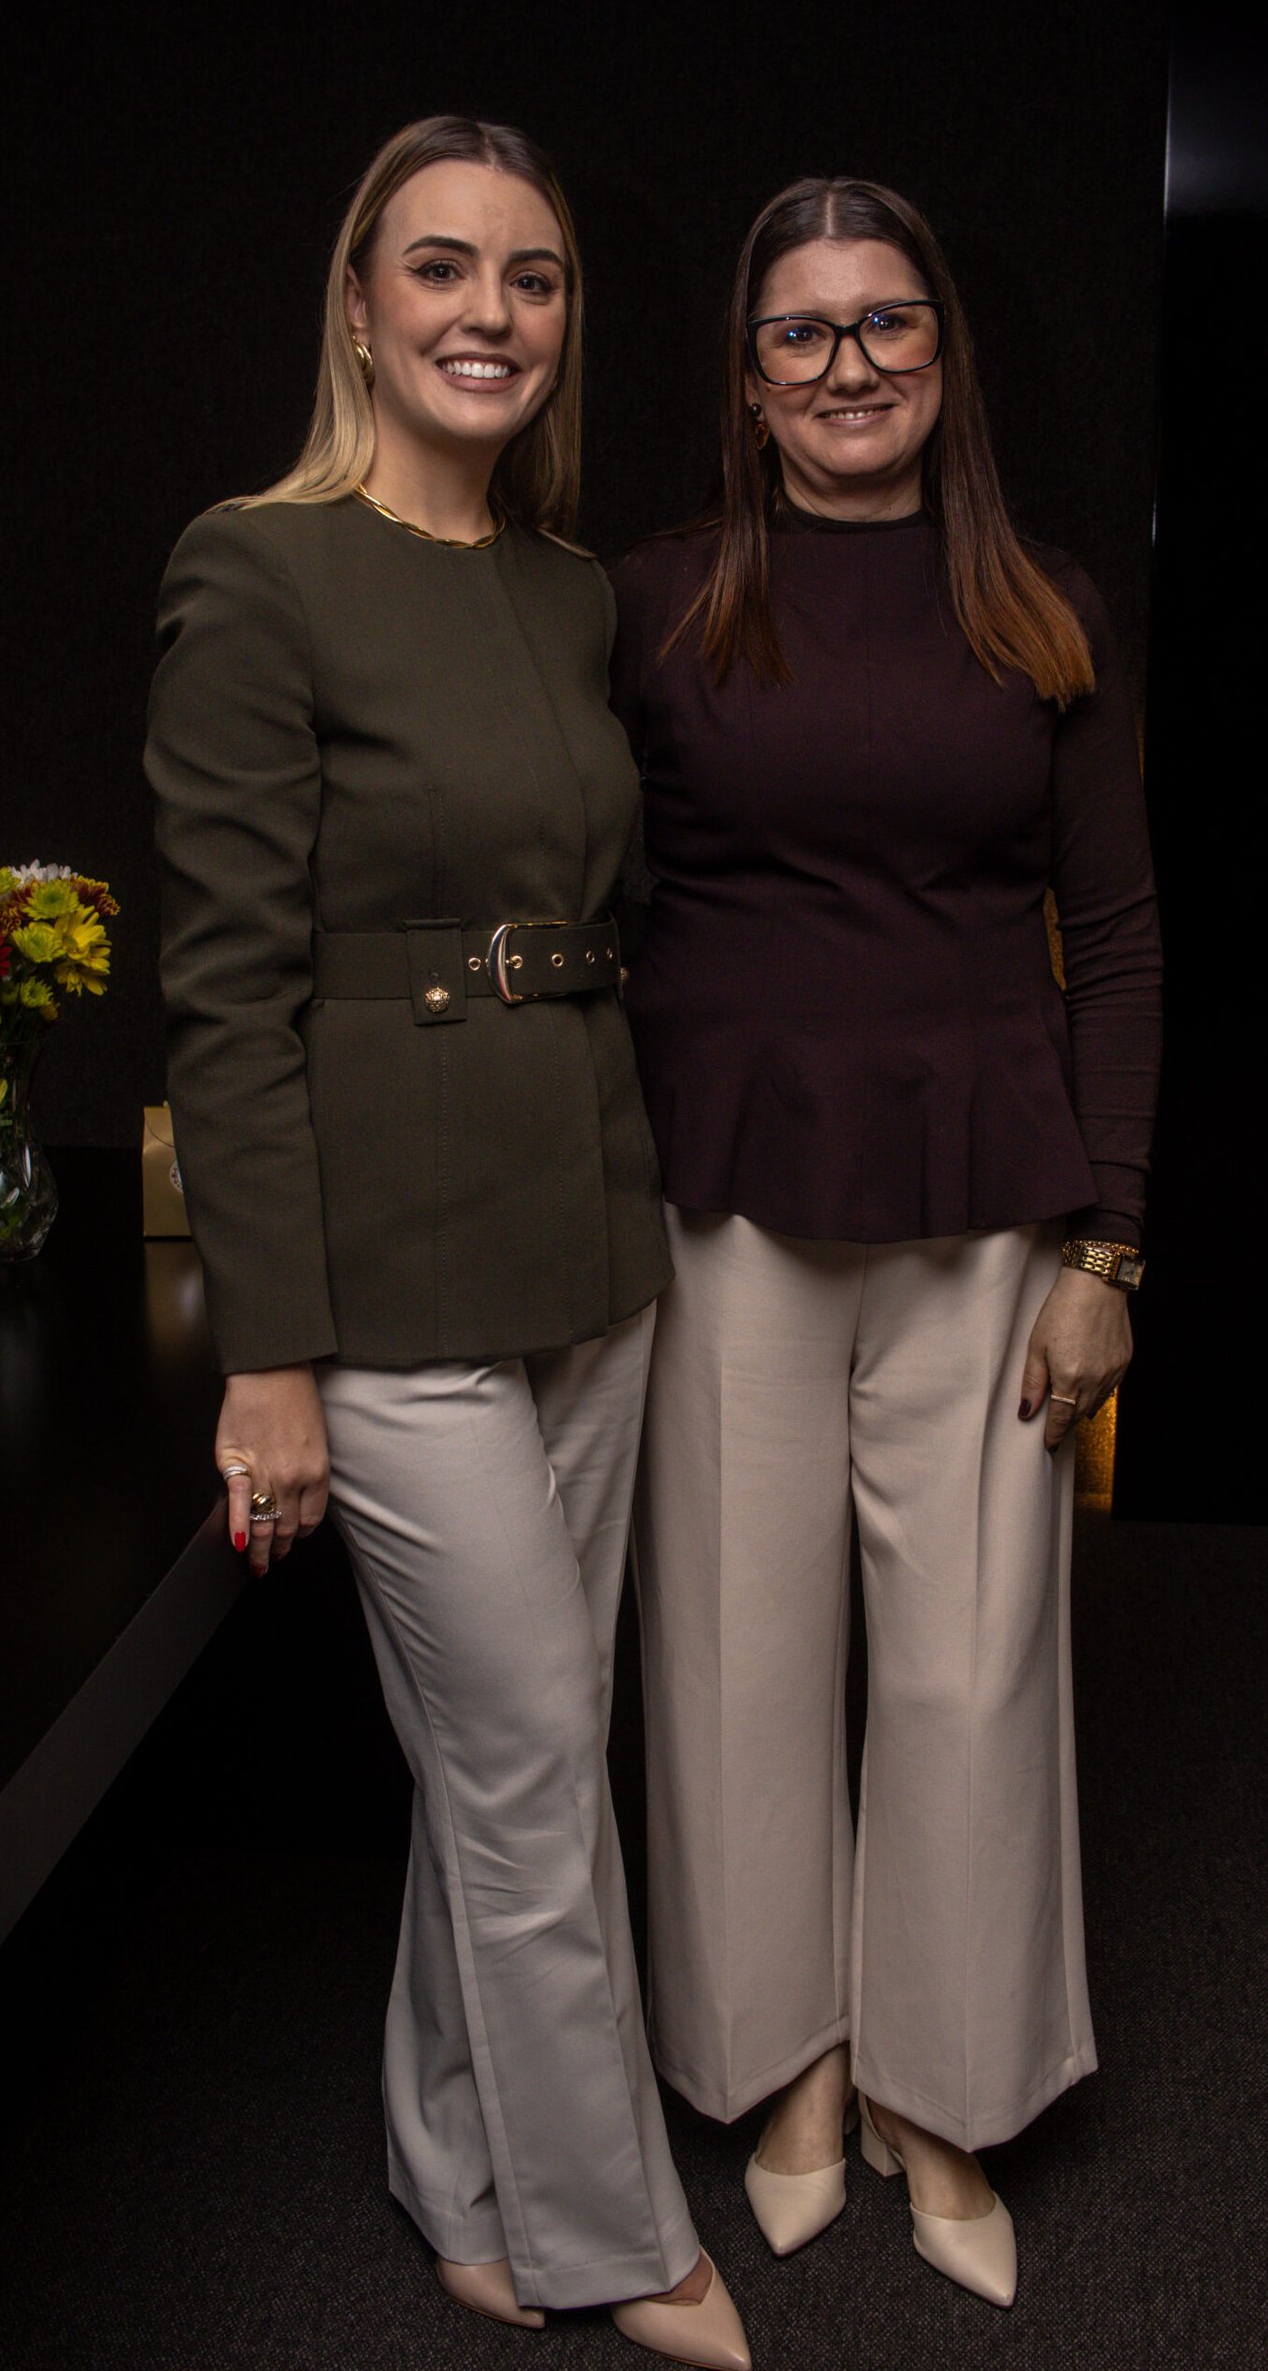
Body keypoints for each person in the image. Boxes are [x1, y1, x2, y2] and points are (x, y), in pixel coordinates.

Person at [145, 115, 749, 2369]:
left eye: (533, 276)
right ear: (360, 305)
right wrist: (266, 1354)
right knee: (525, 1770)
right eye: (441, 269)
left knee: (517, 1754)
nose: (490, 314)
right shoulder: (256, 569)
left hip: (586, 1228)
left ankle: (449, 2165)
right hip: (385, 1270)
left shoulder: (574, 591)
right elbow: (226, 993)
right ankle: (614, 2236)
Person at [610, 176, 1162, 2309]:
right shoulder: (658, 601)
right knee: (736, 1653)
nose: (848, 364)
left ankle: (946, 2087)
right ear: (747, 378)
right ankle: (791, 2070)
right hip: (722, 1193)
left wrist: (1109, 1251)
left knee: (966, 1663)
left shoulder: (1040, 606)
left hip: (989, 1204)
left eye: (886, 322)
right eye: (801, 330)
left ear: (944, 350)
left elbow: (1118, 938)